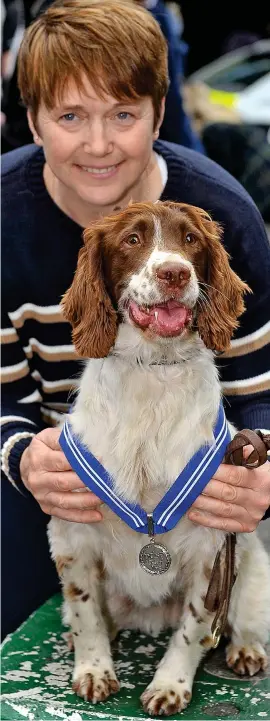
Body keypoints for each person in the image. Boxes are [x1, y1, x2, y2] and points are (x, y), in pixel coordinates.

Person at [1, 0, 270, 639]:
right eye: (71, 116)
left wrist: (263, 468)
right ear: (33, 123)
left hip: (190, 482)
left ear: (158, 115)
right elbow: (3, 394)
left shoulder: (224, 218)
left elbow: (262, 394)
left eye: (123, 114)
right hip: (57, 490)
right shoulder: (1, 225)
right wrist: (22, 458)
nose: (98, 144)